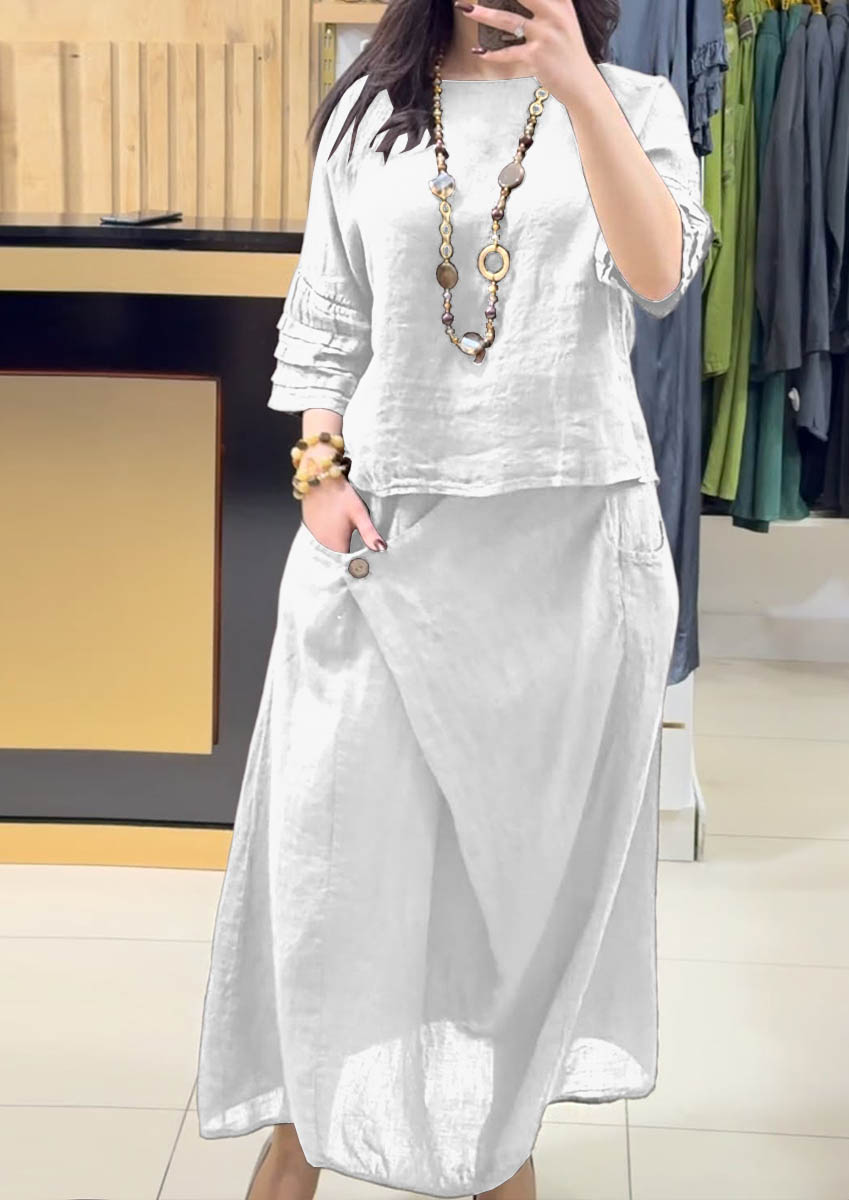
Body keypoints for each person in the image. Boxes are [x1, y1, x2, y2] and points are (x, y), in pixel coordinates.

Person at [195, 1, 713, 1198]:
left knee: (512, 906)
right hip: (383, 549)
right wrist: (319, 473)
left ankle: (491, 1153)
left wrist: (577, 85)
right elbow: (327, 315)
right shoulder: (370, 114)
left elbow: (658, 275)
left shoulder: (634, 105)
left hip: (568, 558)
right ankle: (301, 1138)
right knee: (332, 875)